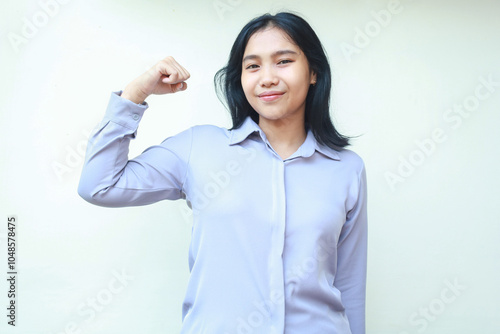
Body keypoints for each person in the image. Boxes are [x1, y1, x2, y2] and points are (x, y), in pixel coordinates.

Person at [78, 11, 367, 334]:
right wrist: (135, 94)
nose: (267, 77)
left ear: (313, 71)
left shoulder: (346, 169)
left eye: (283, 61)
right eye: (253, 66)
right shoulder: (198, 148)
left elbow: (349, 286)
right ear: (240, 78)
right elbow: (98, 185)